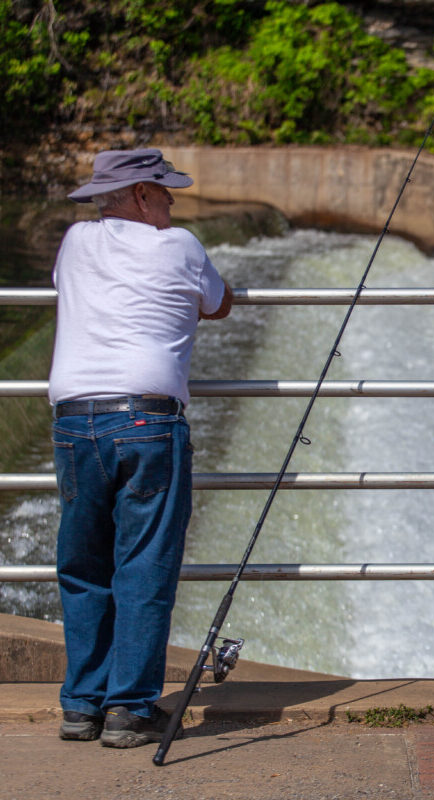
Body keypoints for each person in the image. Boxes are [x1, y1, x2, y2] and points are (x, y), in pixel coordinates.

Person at [49, 148, 233, 748]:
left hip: (76, 423)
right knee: (144, 567)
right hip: (148, 422)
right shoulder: (181, 246)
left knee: (83, 566)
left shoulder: (76, 242)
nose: (175, 202)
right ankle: (128, 709)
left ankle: (82, 706)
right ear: (144, 195)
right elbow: (218, 304)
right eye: (168, 191)